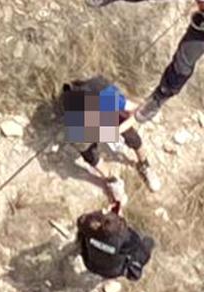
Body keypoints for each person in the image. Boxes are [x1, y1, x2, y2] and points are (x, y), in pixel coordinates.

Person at [61, 76, 163, 204]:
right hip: (82, 116)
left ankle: (144, 165)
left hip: (97, 107)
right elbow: (84, 145)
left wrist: (117, 130)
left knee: (132, 137)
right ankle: (112, 181)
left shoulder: (107, 98)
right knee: (90, 154)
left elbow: (134, 111)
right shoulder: (75, 124)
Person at [76, 206, 155, 281]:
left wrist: (102, 215)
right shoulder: (125, 239)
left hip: (90, 263)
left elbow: (83, 221)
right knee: (147, 243)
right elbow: (139, 249)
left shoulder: (89, 229)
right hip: (112, 272)